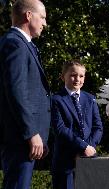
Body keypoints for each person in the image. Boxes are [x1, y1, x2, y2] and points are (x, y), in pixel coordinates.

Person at [0, 0, 50, 188]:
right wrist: (31, 133)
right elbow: (16, 91)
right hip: (20, 138)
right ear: (29, 16)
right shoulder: (16, 44)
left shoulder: (17, 43)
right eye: (43, 17)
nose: (45, 23)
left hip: (21, 137)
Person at [51, 59, 103, 189]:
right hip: (65, 161)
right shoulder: (56, 100)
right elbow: (60, 129)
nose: (77, 79)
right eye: (73, 75)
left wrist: (88, 147)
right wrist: (82, 146)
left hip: (88, 158)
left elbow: (98, 127)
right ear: (63, 76)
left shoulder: (90, 99)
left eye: (81, 76)